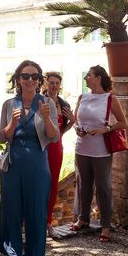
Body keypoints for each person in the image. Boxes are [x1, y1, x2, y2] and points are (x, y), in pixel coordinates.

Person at [0, 61, 59, 256]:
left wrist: (46, 118)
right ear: (18, 79)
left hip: (36, 163)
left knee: (35, 213)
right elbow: (3, 137)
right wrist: (12, 123)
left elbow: (54, 137)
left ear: (39, 80)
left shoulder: (47, 103)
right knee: (11, 211)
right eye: (26, 76)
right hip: (13, 164)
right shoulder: (9, 104)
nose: (30, 80)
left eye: (35, 76)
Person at [70, 65, 127, 243]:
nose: (86, 78)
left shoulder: (110, 98)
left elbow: (123, 122)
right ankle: (83, 218)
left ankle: (105, 226)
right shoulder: (82, 97)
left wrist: (106, 128)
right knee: (83, 184)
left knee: (103, 187)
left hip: (101, 150)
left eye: (89, 75)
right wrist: (77, 129)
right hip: (82, 147)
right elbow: (74, 119)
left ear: (99, 78)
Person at [43, 72, 75, 240]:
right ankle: (34, 223)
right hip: (41, 147)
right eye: (51, 82)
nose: (54, 85)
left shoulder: (64, 104)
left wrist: (72, 121)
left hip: (57, 147)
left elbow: (62, 130)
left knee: (53, 185)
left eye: (57, 83)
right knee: (39, 184)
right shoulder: (39, 101)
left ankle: (48, 223)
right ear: (45, 85)